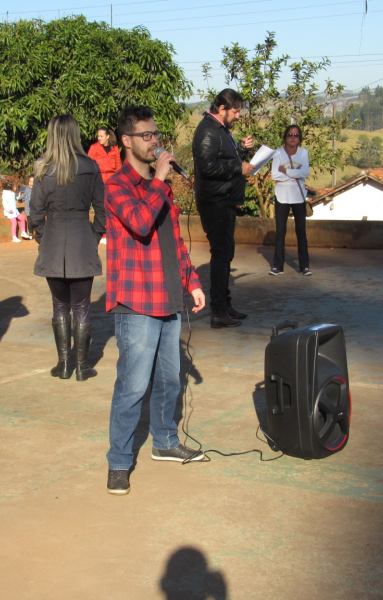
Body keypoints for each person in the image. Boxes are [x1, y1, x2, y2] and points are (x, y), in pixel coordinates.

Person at [103, 105, 207, 495]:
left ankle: (164, 442)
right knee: (132, 385)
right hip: (136, 302)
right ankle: (118, 461)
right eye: (146, 135)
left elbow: (173, 242)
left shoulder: (159, 188)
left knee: (169, 380)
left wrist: (191, 282)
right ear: (126, 141)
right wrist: (161, 178)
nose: (154, 141)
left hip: (169, 297)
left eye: (156, 134)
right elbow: (141, 222)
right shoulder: (116, 186)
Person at [29, 115, 106, 382]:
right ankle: (82, 367)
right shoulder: (90, 167)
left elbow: (35, 214)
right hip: (82, 239)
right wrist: (93, 237)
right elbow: (103, 210)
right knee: (82, 306)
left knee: (60, 306)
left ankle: (63, 365)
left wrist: (44, 238)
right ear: (75, 134)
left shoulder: (42, 168)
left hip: (53, 241)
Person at [192, 89, 254, 328]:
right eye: (236, 112)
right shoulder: (207, 130)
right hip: (215, 202)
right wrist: (239, 168)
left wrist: (241, 149)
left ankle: (224, 305)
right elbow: (208, 166)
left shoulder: (219, 130)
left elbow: (222, 158)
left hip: (224, 199)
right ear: (222, 109)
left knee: (225, 253)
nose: (238, 116)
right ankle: (218, 311)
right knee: (221, 255)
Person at [269, 124, 311, 276]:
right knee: (281, 232)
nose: (293, 138)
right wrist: (295, 173)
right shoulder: (278, 153)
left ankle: (304, 266)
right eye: (290, 135)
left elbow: (305, 172)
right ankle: (278, 266)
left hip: (298, 196)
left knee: (301, 231)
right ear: (285, 136)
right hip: (282, 195)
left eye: (296, 135)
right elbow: (275, 175)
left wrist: (286, 171)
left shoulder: (303, 153)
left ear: (300, 138)